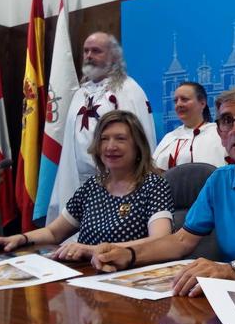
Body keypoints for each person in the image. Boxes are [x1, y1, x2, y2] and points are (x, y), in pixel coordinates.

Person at [92, 86, 235, 297]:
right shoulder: (219, 180)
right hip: (234, 295)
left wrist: (233, 269)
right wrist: (130, 254)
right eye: (226, 121)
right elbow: (181, 241)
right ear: (221, 136)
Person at [0, 110, 173, 261]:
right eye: (104, 139)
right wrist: (20, 239)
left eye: (120, 139)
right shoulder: (92, 186)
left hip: (127, 278)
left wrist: (96, 250)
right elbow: (54, 232)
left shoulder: (153, 185)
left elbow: (161, 240)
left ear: (138, 146)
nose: (110, 146)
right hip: (86, 279)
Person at [47, 32, 157, 224]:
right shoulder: (80, 94)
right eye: (86, 51)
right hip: (78, 183)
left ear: (114, 57)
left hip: (119, 183)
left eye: (96, 51)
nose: (89, 56)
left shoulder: (129, 90)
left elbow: (142, 140)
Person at [152, 82, 227, 170]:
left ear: (202, 103)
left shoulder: (219, 134)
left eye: (184, 99)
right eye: (176, 101)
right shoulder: (169, 138)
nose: (178, 104)